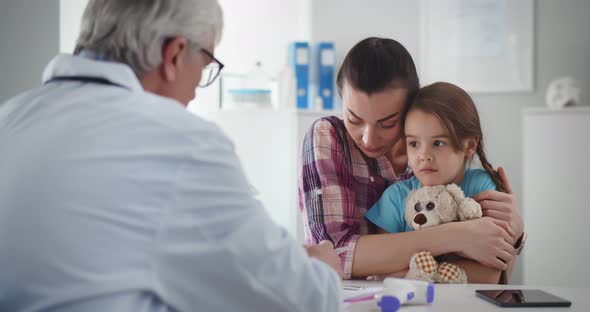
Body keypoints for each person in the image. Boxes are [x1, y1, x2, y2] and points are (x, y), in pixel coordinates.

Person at [0, 1, 342, 311]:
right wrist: (324, 269)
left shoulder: (11, 116)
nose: (195, 91)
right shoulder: (181, 139)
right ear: (175, 54)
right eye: (206, 64)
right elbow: (298, 300)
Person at [298, 37, 524, 282]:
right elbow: (334, 255)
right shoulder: (329, 136)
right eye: (354, 119)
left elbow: (499, 270)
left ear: (410, 107)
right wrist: (459, 235)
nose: (368, 138)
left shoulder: (431, 161)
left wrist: (516, 232)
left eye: (387, 123)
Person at [365, 81, 511, 283]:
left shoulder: (481, 189)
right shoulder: (396, 197)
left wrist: (412, 274)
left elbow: (489, 274)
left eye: (438, 143)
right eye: (414, 143)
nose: (424, 155)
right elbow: (380, 265)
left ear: (469, 145)